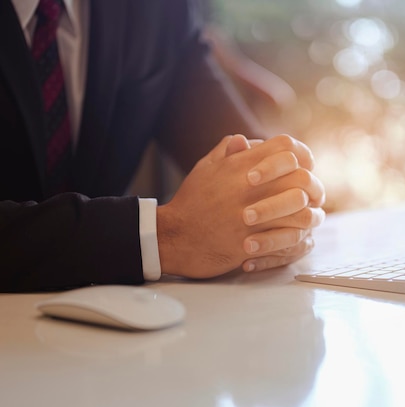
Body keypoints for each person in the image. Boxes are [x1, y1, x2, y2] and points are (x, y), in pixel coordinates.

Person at [0, 0, 326, 292]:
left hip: (110, 334)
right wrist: (165, 236)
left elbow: (249, 172)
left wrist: (280, 199)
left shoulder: (158, 10)